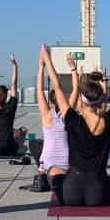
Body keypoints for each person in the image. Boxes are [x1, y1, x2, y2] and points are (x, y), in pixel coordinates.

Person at [48, 43, 110, 207]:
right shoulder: (109, 120)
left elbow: (57, 86)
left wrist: (48, 59)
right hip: (99, 193)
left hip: (71, 194)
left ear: (81, 101)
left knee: (53, 170)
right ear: (101, 100)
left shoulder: (72, 119)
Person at [28, 49, 78, 186]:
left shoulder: (46, 114)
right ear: (64, 99)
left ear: (50, 101)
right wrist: (73, 69)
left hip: (48, 164)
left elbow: (39, 88)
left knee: (35, 144)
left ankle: (45, 176)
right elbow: (76, 90)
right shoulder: (68, 113)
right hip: (67, 163)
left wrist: (41, 66)